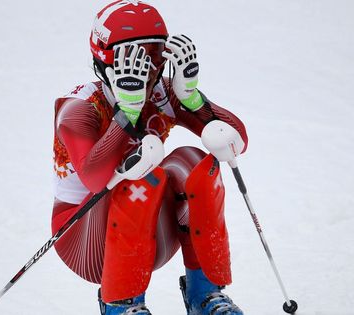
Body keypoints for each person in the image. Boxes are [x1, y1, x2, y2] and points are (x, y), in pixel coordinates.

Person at [51, 1, 248, 314]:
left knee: (195, 162)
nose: (146, 70)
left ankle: (206, 294)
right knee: (142, 172)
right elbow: (95, 177)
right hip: (85, 241)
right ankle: (121, 303)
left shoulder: (163, 92)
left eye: (155, 54)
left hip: (148, 234)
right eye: (131, 57)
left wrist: (193, 100)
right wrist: (126, 113)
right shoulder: (79, 108)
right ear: (104, 58)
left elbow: (235, 142)